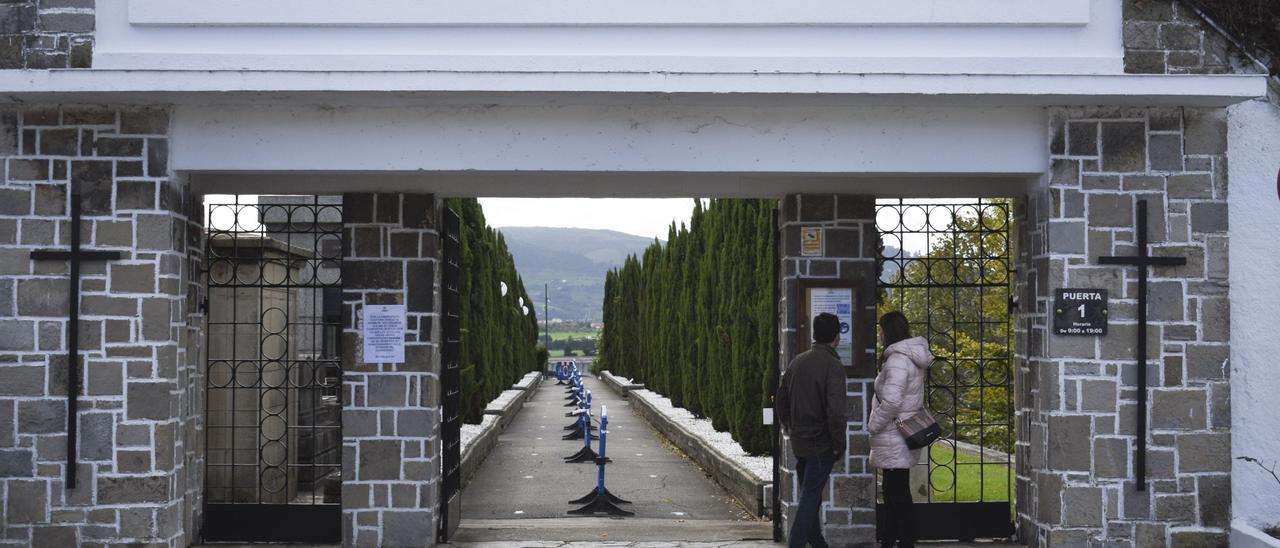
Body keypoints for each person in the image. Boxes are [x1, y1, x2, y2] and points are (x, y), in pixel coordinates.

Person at [776, 312, 847, 548]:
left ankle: (817, 541)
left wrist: (790, 426)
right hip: (821, 442)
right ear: (837, 337)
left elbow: (781, 400)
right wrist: (839, 444)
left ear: (814, 334)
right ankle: (796, 544)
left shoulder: (797, 362)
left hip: (800, 441)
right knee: (809, 497)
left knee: (811, 494)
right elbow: (836, 412)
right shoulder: (833, 366)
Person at [867, 311, 933, 548]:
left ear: (888, 331)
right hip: (899, 435)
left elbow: (893, 401)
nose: (880, 334)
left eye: (881, 329)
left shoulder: (897, 360)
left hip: (893, 435)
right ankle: (889, 542)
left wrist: (873, 425)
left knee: (898, 496)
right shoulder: (907, 358)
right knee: (894, 494)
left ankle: (905, 542)